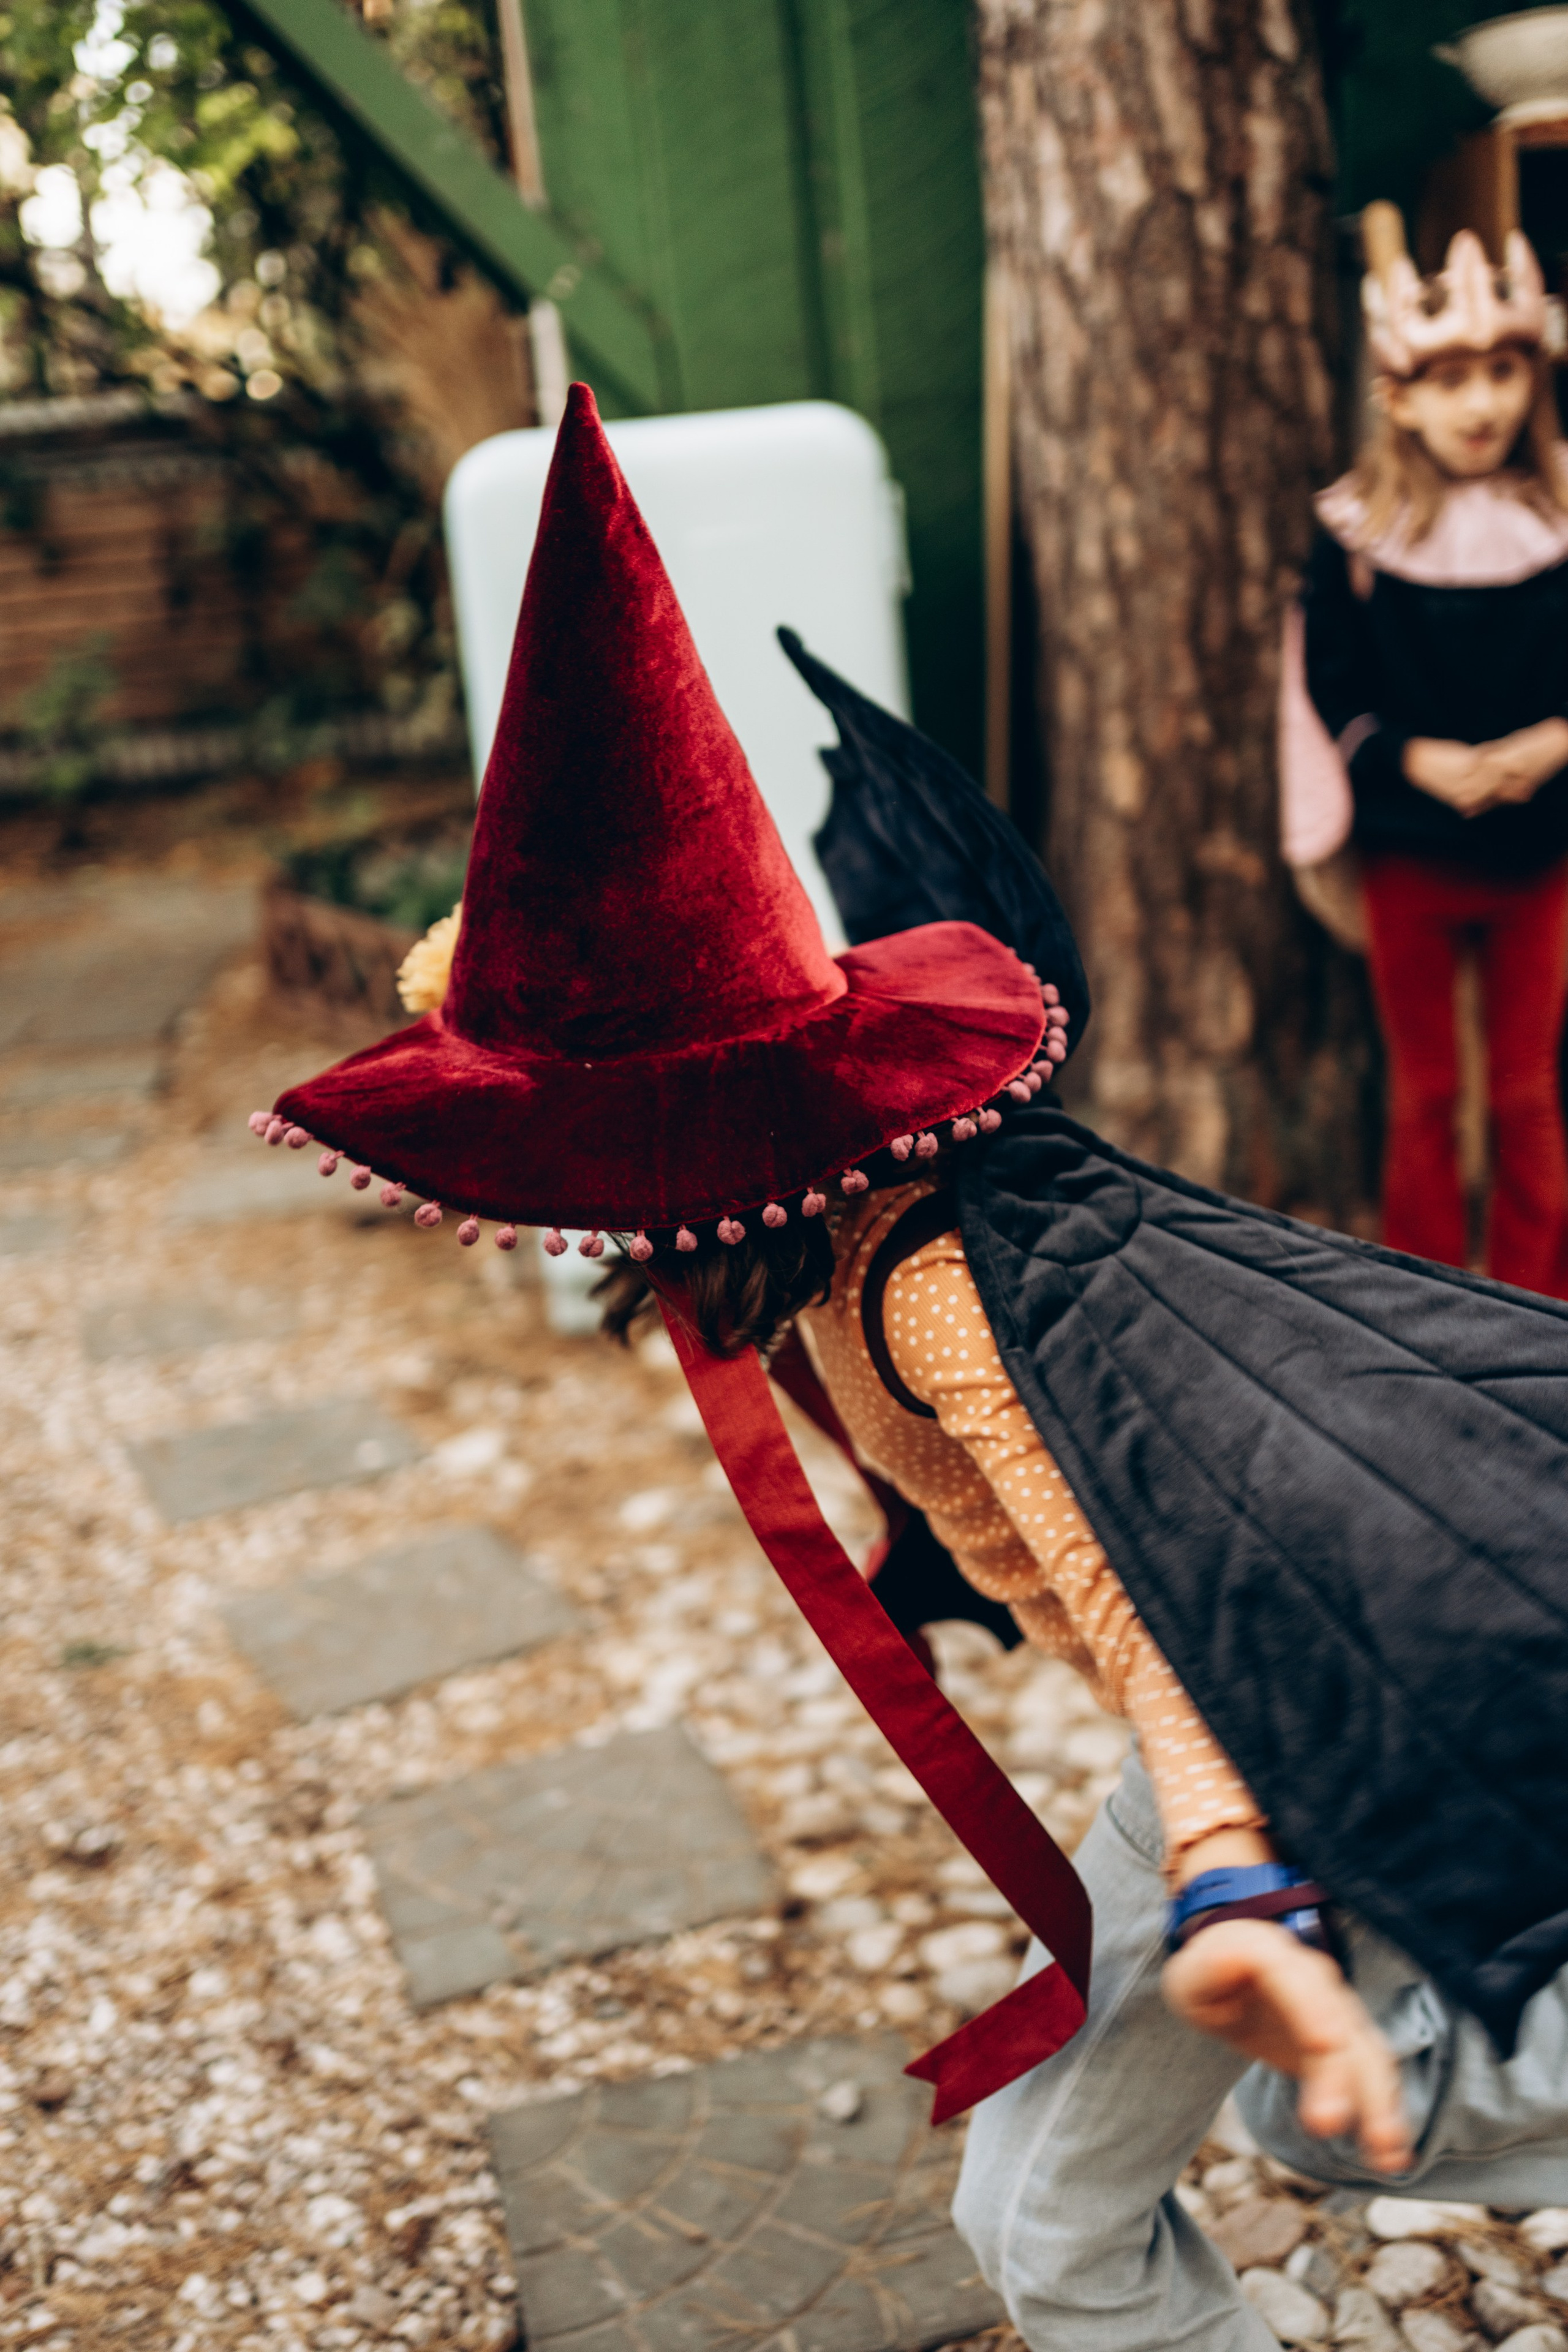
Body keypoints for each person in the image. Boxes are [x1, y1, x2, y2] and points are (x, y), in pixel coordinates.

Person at [260, 387, 1568, 2352]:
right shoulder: (817, 1232)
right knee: (1058, 2206)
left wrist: (1232, 1880)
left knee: (1326, 2133)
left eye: (564, 1159)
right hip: (1265, 1705)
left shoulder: (939, 1285)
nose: (562, 1212)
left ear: (684, 1157)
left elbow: (1149, 1580)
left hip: (1297, 1699)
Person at [1283, 206, 1568, 1295]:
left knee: (1526, 1089)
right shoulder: (1357, 535)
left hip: (1538, 849)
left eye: (1503, 370)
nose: (1484, 402)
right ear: (1398, 398)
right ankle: (1427, 1295)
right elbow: (1332, 684)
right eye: (1451, 380)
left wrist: (1553, 741)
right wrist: (1415, 762)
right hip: (1411, 851)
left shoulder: (1558, 520)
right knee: (1429, 1090)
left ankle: (1540, 1302)